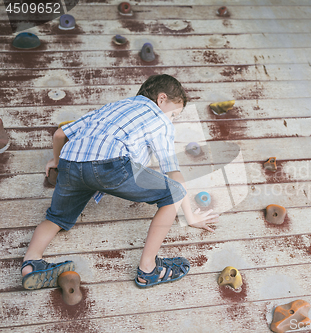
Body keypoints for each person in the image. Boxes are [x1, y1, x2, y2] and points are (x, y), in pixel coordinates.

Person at [21, 74, 218, 289]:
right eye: (174, 114)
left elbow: (60, 134)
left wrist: (56, 161)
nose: (171, 120)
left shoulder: (114, 107)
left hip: (71, 162)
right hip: (111, 166)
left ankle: (31, 263)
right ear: (162, 99)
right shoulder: (160, 120)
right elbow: (174, 175)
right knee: (172, 192)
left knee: (56, 218)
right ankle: (148, 269)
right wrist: (190, 217)